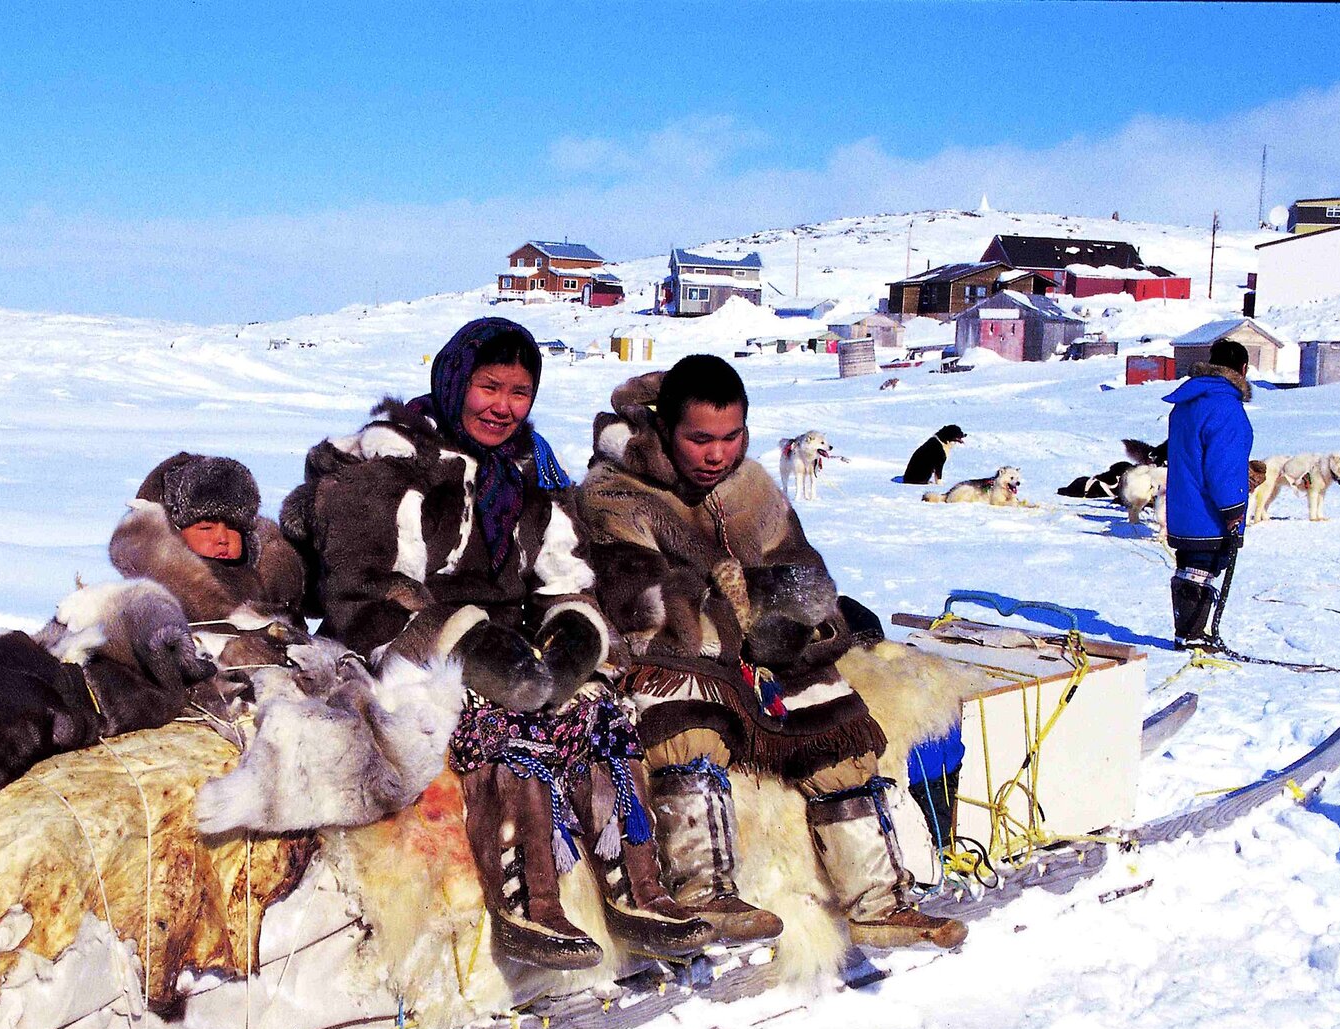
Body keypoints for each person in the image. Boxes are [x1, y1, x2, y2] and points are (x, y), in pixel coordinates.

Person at [281, 316, 715, 969]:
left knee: (596, 711)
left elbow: (565, 573)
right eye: (489, 387)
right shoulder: (395, 461)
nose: (503, 406)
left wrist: (573, 634)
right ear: (455, 381)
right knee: (500, 717)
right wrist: (463, 641)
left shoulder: (526, 469)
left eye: (519, 392)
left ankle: (638, 889)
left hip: (505, 642)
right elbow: (361, 589)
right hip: (398, 649)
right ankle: (529, 902)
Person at [580, 355, 964, 949]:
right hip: (676, 654)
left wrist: (793, 623)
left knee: (836, 728)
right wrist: (731, 612)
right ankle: (705, 893)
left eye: (732, 437)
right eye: (700, 439)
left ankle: (879, 901)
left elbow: (801, 569)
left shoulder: (751, 487)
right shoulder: (616, 494)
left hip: (761, 650)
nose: (718, 455)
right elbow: (639, 598)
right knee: (687, 725)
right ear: (664, 431)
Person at [108, 452, 307, 706]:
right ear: (174, 534)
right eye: (206, 528)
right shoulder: (154, 600)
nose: (222, 538)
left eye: (233, 528)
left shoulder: (269, 588)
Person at [1163, 339, 1254, 650]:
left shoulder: (1188, 402)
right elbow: (1223, 467)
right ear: (1243, 369)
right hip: (1209, 511)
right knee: (1202, 570)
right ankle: (1192, 635)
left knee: (1189, 566)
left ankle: (1187, 631)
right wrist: (1233, 508)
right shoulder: (1226, 408)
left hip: (1183, 505)